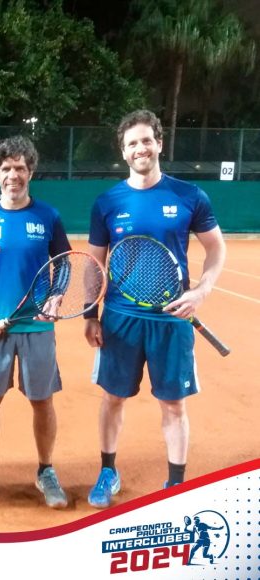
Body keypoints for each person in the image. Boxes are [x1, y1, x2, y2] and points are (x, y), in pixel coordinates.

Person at [84, 110, 226, 508]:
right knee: (112, 398)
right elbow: (94, 264)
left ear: (159, 144)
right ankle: (107, 472)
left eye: (146, 140)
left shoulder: (189, 196)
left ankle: (175, 486)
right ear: (123, 151)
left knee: (174, 405)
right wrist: (90, 315)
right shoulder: (107, 202)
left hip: (172, 320)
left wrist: (201, 291)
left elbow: (216, 248)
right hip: (120, 320)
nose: (140, 148)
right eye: (132, 143)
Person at [0, 135, 70, 509]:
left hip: (38, 327)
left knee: (42, 401)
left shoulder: (48, 217)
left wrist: (56, 297)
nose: (13, 175)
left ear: (30, 172)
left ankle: (46, 470)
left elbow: (64, 263)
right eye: (6, 168)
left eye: (20, 168)